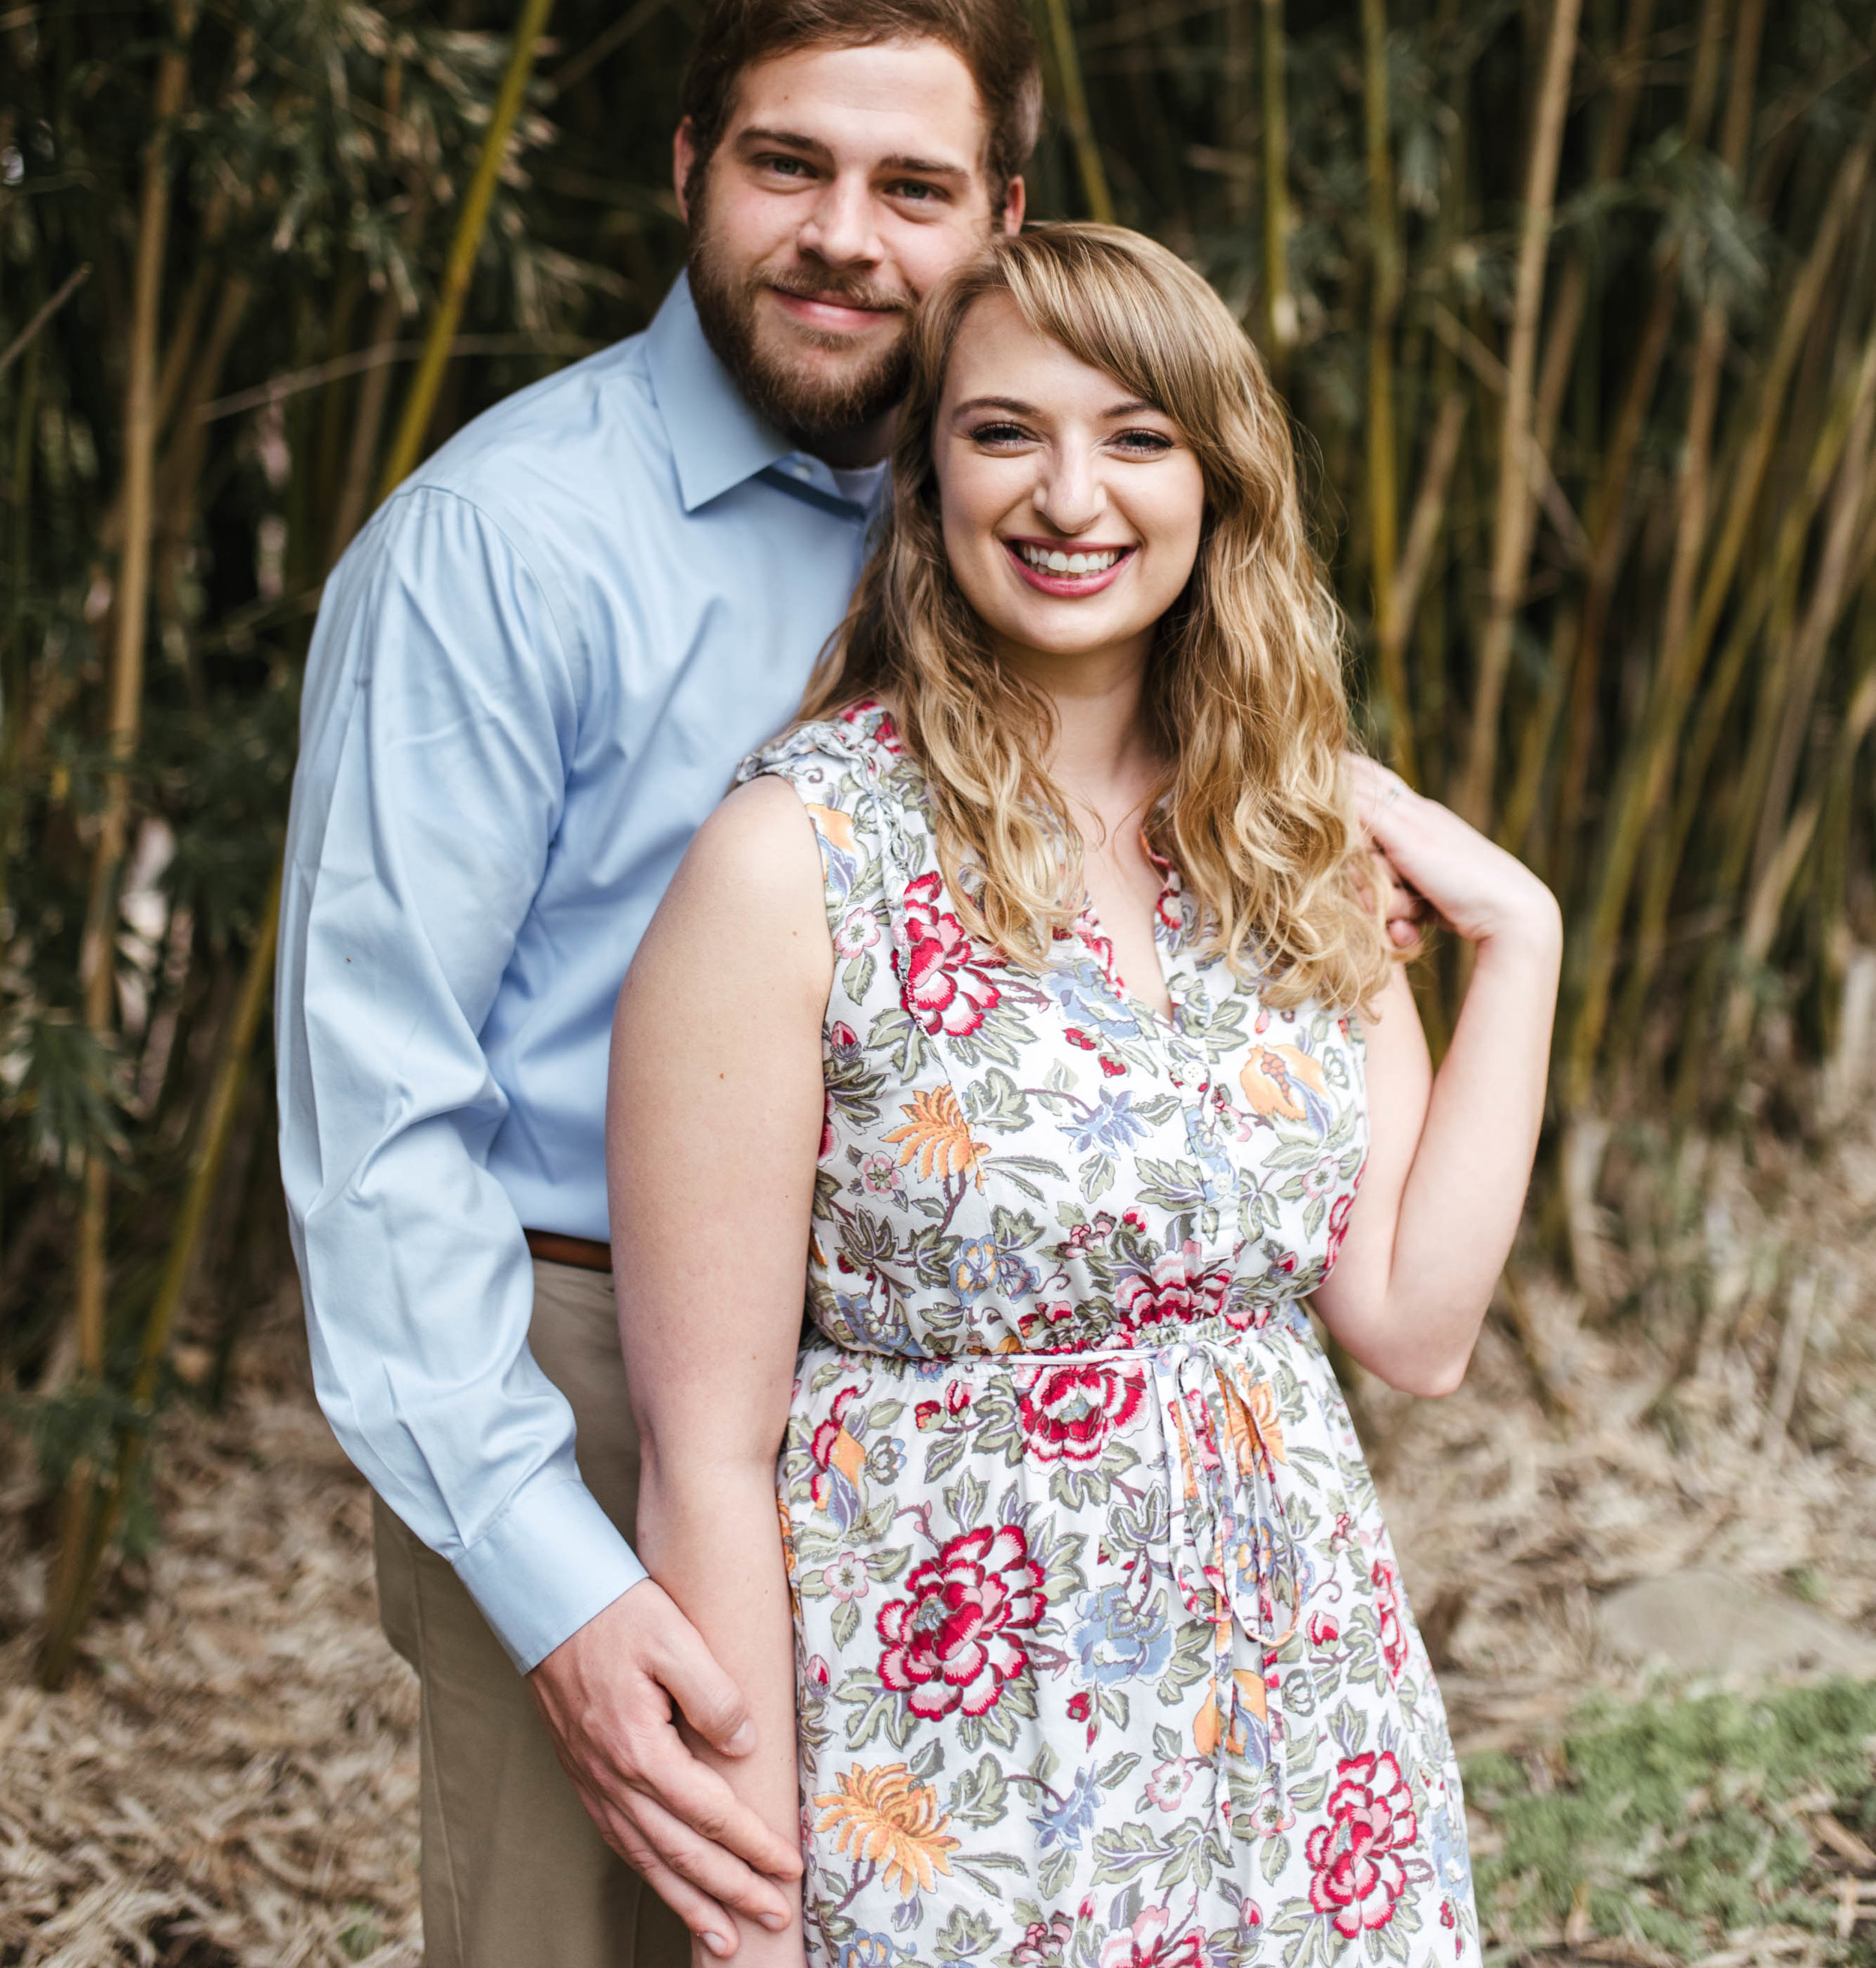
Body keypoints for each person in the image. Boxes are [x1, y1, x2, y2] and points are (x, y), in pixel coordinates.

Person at [609, 224, 1562, 1968]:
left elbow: (1408, 1322)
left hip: (1298, 1733)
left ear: (1214, 478)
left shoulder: (1282, 844)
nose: (1069, 495)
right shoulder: (794, 859)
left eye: (1133, 435)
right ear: (925, 477)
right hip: (958, 1750)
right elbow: (704, 1454)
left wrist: (1521, 938)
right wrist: (749, 1914)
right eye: (1001, 433)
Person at [275, 0, 1038, 1968]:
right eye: (787, 164)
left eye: (911, 187)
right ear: (688, 157)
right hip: (590, 1366)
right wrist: (561, 1583)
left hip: (939, 1376)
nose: (842, 238)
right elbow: (378, 1123)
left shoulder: (1023, 525)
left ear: (1001, 219)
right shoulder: (495, 548)